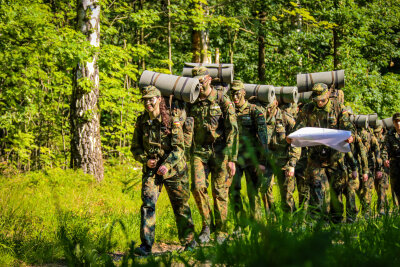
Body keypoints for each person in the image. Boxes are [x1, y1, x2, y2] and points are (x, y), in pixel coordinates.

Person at [131, 86, 195, 255]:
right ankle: (146, 245)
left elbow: (179, 148)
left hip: (174, 170)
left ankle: (189, 242)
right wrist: (146, 160)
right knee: (148, 205)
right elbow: (135, 148)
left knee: (180, 205)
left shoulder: (171, 120)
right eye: (145, 100)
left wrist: (167, 164)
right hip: (152, 172)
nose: (147, 103)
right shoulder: (141, 121)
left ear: (159, 99)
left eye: (151, 99)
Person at [286, 83, 354, 223]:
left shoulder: (338, 108)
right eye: (317, 100)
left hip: (335, 157)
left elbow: (347, 126)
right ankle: (316, 226)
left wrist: (349, 136)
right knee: (316, 190)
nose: (320, 102)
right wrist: (292, 137)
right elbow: (299, 129)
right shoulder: (307, 109)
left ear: (328, 95)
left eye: (322, 99)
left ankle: (336, 225)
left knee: (336, 192)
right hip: (315, 157)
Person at [186, 66, 238, 243]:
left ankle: (222, 231)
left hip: (220, 152)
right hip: (199, 151)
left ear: (209, 79)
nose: (199, 85)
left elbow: (233, 129)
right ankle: (207, 226)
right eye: (196, 82)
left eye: (201, 81)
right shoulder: (190, 100)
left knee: (220, 191)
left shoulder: (222, 98)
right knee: (197, 187)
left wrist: (232, 158)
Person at [228, 80, 269, 224]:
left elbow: (263, 140)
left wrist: (262, 163)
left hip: (252, 159)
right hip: (235, 158)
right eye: (232, 94)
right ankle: (240, 223)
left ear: (244, 93)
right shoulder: (229, 111)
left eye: (237, 94)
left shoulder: (254, 111)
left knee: (253, 193)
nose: (235, 97)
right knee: (234, 191)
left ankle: (257, 224)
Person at [263, 99, 301, 215]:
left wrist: (292, 164)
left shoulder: (286, 119)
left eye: (270, 107)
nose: (268, 110)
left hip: (284, 163)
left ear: (276, 103)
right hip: (269, 162)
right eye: (266, 108)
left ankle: (289, 222)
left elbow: (296, 143)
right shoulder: (262, 119)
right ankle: (272, 219)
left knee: (287, 194)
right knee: (265, 189)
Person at [383, 113, 400, 209]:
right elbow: (385, 149)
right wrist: (385, 159)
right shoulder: (389, 135)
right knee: (396, 186)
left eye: (399, 121)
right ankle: (397, 210)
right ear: (393, 123)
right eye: (396, 121)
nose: (398, 123)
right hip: (395, 163)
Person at [373, 124, 390, 214]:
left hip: (383, 169)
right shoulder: (373, 139)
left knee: (382, 188)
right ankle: (386, 208)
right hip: (375, 168)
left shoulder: (384, 140)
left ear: (382, 130)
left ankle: (381, 210)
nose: (376, 134)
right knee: (379, 190)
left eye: (378, 132)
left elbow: (385, 153)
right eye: (375, 132)